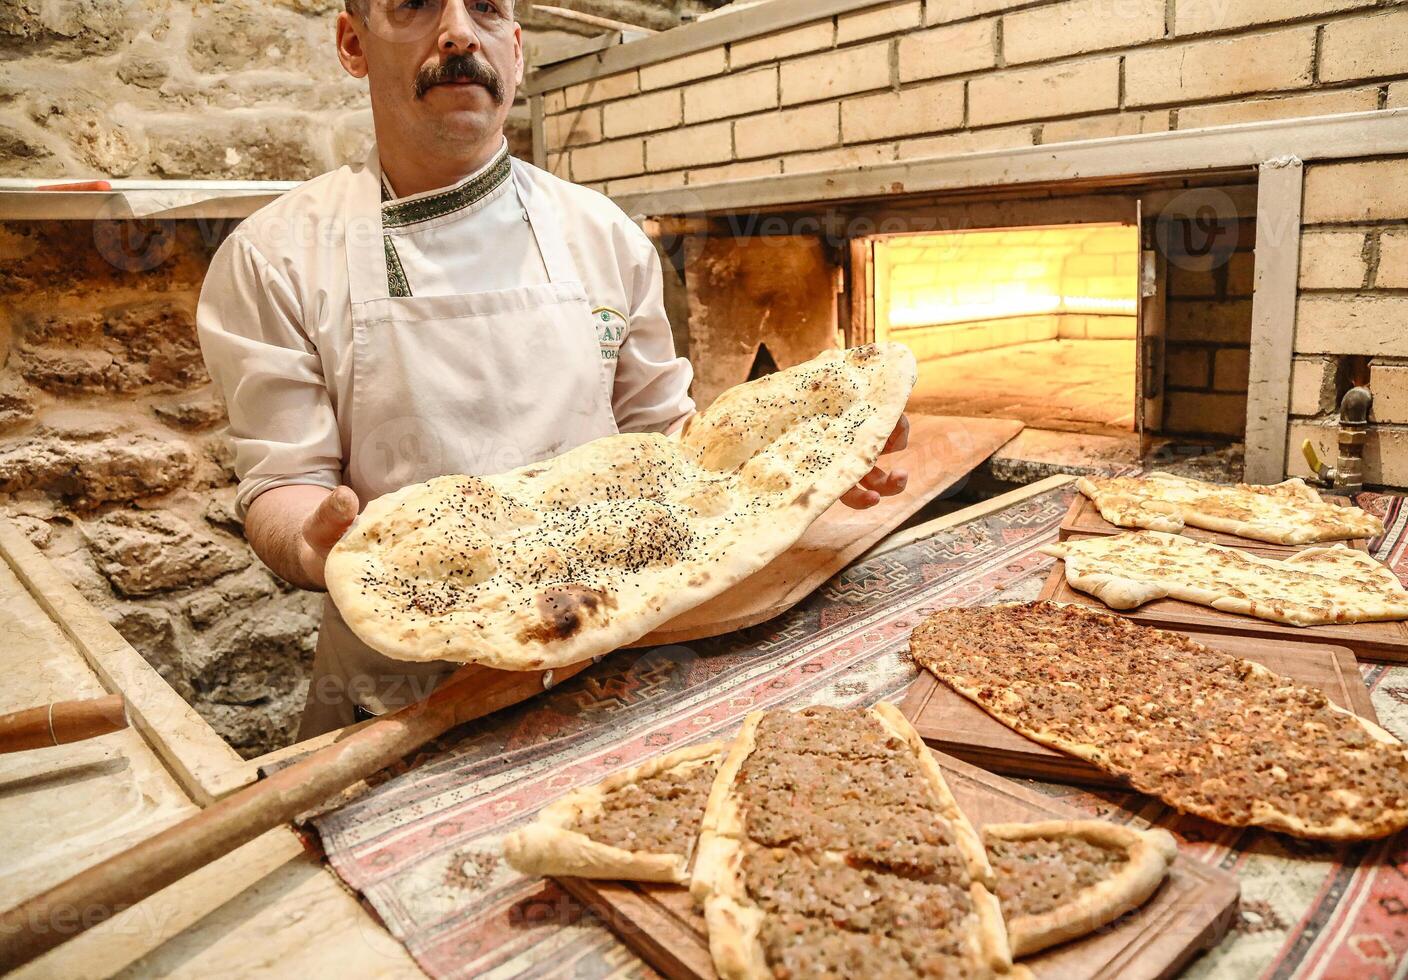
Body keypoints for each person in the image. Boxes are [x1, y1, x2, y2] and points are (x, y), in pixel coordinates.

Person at [196, 0, 910, 739]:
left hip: (619, 653)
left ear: (515, 46)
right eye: (413, 6)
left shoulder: (601, 233)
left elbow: (668, 443)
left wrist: (794, 459)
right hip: (409, 692)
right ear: (352, 43)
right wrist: (311, 547)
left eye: (486, 9)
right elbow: (284, 485)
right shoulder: (275, 257)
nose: (457, 31)